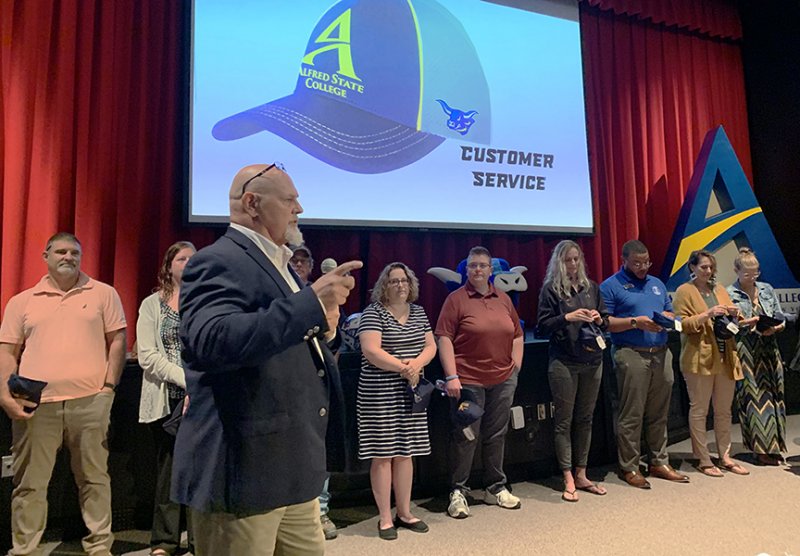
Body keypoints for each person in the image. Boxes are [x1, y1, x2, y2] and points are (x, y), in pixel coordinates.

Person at [171, 163, 361, 556]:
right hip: (246, 469)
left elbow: (279, 337)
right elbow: (212, 341)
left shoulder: (281, 262)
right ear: (253, 203)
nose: (300, 209)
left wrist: (322, 327)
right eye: (290, 200)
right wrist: (310, 303)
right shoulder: (217, 259)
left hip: (291, 466)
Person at [0, 232, 127, 556]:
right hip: (35, 406)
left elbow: (117, 341)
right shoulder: (22, 301)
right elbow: (7, 352)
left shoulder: (103, 294)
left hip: (90, 403)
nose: (68, 257)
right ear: (45, 256)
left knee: (95, 480)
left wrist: (108, 389)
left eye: (74, 252)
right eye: (60, 251)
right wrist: (4, 395)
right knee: (29, 484)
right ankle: (24, 549)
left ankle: (99, 547)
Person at [435, 246, 524, 519]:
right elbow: (444, 337)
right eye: (473, 265)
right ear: (466, 270)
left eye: (483, 265)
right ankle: (458, 491)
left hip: (503, 378)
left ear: (490, 270)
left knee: (497, 434)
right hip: (468, 381)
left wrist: (515, 369)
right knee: (466, 437)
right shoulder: (455, 299)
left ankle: (495, 487)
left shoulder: (503, 298)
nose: (478, 270)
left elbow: (517, 335)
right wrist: (451, 376)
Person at [599, 239, 689, 489]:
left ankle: (659, 462)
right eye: (637, 263)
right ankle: (630, 466)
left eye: (646, 262)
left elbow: (672, 313)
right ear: (624, 261)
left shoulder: (657, 284)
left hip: (661, 352)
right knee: (632, 413)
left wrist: (668, 318)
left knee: (660, 412)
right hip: (631, 353)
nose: (643, 267)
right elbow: (604, 323)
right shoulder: (610, 286)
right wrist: (635, 322)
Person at [357, 262, 437, 540]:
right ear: (384, 286)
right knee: (383, 455)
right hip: (379, 395)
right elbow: (371, 351)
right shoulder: (373, 312)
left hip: (410, 393)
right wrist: (404, 368)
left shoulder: (419, 312)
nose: (400, 285)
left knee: (406, 453)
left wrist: (415, 365)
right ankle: (385, 518)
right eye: (393, 281)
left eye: (404, 280)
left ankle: (404, 512)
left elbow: (431, 346)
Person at [536, 240, 609, 502]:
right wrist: (568, 317)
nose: (574, 264)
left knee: (586, 419)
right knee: (564, 421)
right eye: (568, 260)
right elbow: (542, 327)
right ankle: (567, 475)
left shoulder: (592, 288)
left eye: (577, 259)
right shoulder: (550, 291)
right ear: (559, 262)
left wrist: (600, 319)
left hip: (593, 360)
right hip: (564, 362)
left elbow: (606, 321)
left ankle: (582, 473)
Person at [136, 241, 196, 555]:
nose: (188, 263)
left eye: (193, 259)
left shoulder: (207, 301)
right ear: (169, 265)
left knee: (201, 470)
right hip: (167, 398)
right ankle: (165, 540)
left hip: (204, 399)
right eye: (182, 258)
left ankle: (201, 538)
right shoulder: (152, 305)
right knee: (169, 470)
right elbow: (147, 356)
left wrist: (201, 385)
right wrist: (188, 380)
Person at [673, 249, 751, 477]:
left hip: (725, 355)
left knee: (724, 411)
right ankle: (703, 458)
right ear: (692, 268)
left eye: (710, 267)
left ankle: (725, 456)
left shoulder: (719, 290)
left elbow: (733, 321)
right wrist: (707, 314)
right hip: (699, 358)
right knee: (699, 410)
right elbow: (681, 324)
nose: (708, 271)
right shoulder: (684, 291)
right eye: (703, 267)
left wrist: (736, 315)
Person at [290, 242, 338, 540]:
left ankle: (321, 512)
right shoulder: (278, 293)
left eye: (303, 262)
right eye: (293, 260)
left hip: (317, 384)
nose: (298, 265)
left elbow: (332, 340)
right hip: (287, 384)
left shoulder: (323, 296)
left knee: (318, 450)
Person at [727, 248, 787, 466]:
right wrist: (746, 323)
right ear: (736, 271)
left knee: (775, 394)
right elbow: (727, 327)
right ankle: (759, 449)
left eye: (755, 274)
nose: (752, 278)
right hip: (746, 348)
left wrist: (778, 327)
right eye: (747, 274)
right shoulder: (729, 293)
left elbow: (780, 317)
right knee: (753, 397)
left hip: (769, 347)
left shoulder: (767, 289)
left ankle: (775, 446)